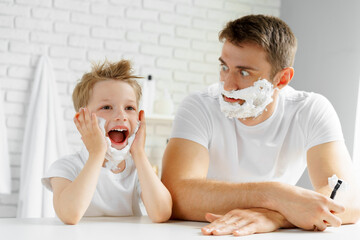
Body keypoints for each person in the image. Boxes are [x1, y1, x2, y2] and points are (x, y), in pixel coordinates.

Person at [161, 14, 360, 236]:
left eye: (244, 72)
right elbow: (175, 195)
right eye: (225, 67)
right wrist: (274, 195)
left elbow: (349, 197)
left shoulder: (310, 110)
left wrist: (277, 215)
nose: (227, 85)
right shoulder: (200, 106)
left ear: (282, 79)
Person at [42, 60, 172, 224]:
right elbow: (69, 215)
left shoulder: (137, 169)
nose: (121, 116)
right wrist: (97, 153)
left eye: (129, 108)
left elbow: (162, 212)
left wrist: (139, 153)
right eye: (107, 107)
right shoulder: (65, 167)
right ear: (82, 119)